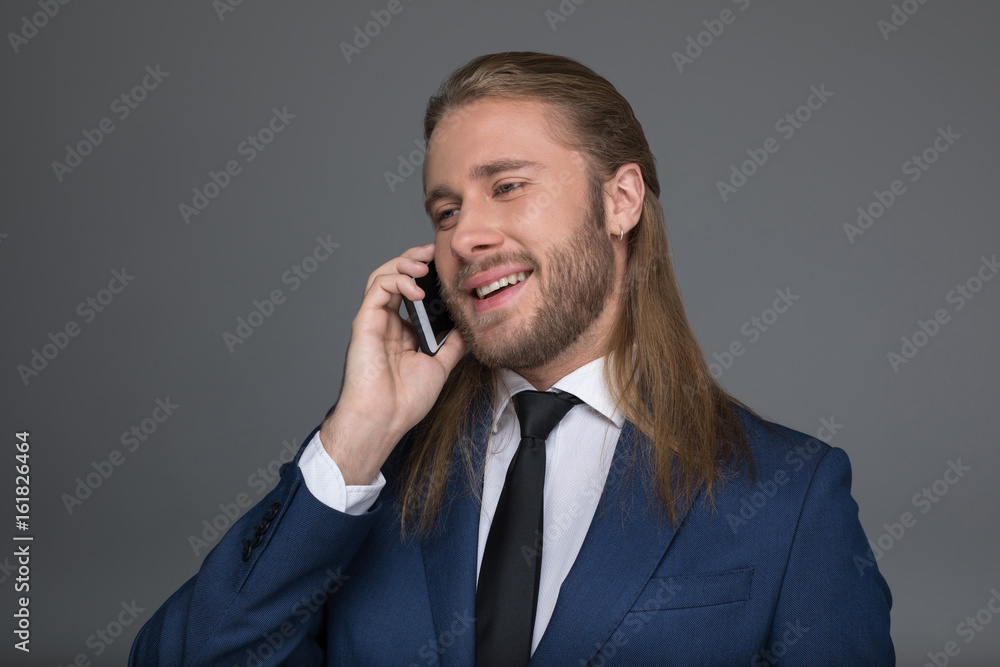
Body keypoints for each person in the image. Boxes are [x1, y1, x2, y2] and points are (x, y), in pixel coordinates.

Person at [129, 51, 894, 666]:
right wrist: (358, 433)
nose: (465, 236)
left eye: (507, 186)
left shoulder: (793, 496)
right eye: (446, 210)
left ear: (619, 201)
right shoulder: (367, 476)